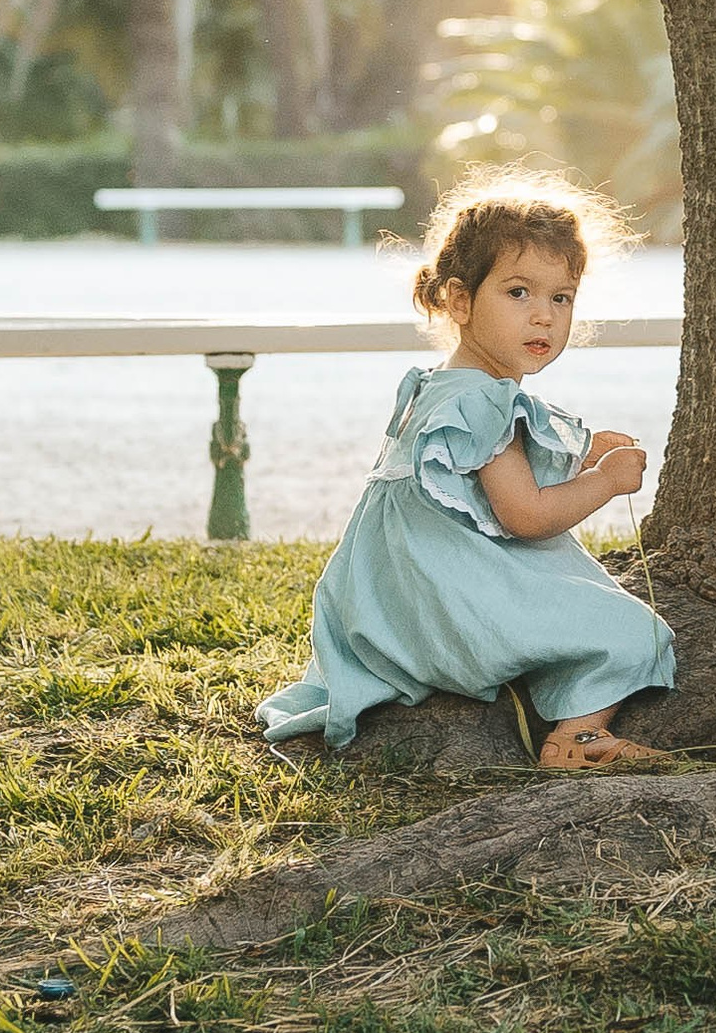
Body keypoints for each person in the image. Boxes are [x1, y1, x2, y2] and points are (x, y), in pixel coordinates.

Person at [256, 179, 676, 770]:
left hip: (384, 613)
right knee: (633, 631)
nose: (543, 316)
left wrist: (583, 455)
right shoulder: (486, 404)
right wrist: (604, 482)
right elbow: (526, 515)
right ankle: (576, 740)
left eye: (562, 298)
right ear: (459, 301)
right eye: (518, 292)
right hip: (447, 615)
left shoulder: (440, 387)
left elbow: (475, 479)